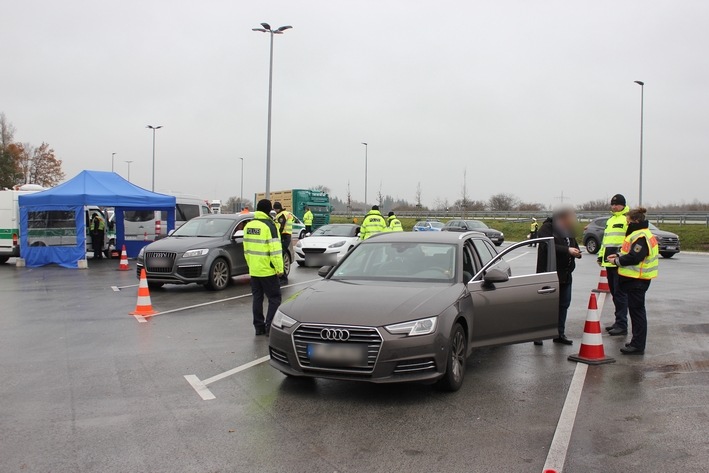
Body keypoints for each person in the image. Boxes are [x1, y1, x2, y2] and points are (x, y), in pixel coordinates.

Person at [606, 207, 658, 355]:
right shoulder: (640, 234)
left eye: (628, 222)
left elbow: (634, 257)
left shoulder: (641, 236)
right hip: (636, 280)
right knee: (636, 312)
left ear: (635, 221)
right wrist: (617, 255)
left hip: (637, 280)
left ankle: (638, 345)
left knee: (637, 313)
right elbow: (629, 253)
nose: (627, 225)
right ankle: (636, 342)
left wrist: (617, 261)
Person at [535, 208, 582, 345]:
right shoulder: (547, 228)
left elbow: (574, 245)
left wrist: (577, 252)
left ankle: (559, 334)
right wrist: (567, 250)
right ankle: (538, 334)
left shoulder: (568, 230)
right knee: (545, 305)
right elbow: (546, 245)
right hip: (549, 274)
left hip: (566, 275)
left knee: (563, 305)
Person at [243, 199, 284, 336]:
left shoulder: (249, 225)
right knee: (275, 298)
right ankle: (270, 326)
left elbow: (246, 249)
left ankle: (258, 327)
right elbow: (275, 250)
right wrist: (279, 269)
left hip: (254, 270)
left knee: (257, 298)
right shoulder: (270, 226)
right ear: (269, 210)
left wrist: (251, 265)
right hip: (268, 270)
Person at [598, 194, 630, 336]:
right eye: (612, 204)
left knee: (620, 294)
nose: (614, 207)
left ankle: (622, 324)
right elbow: (606, 241)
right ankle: (618, 322)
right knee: (615, 294)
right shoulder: (610, 220)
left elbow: (628, 241)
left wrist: (621, 257)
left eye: (617, 204)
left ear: (623, 205)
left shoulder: (626, 219)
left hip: (619, 262)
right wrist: (601, 255)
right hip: (608, 262)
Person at [273, 201, 294, 285]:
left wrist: (277, 235)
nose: (275, 211)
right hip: (286, 236)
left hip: (284, 236)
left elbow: (280, 227)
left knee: (280, 256)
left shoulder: (282, 215)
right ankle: (281, 277)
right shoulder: (286, 213)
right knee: (280, 256)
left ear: (277, 208)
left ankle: (283, 278)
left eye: (275, 209)